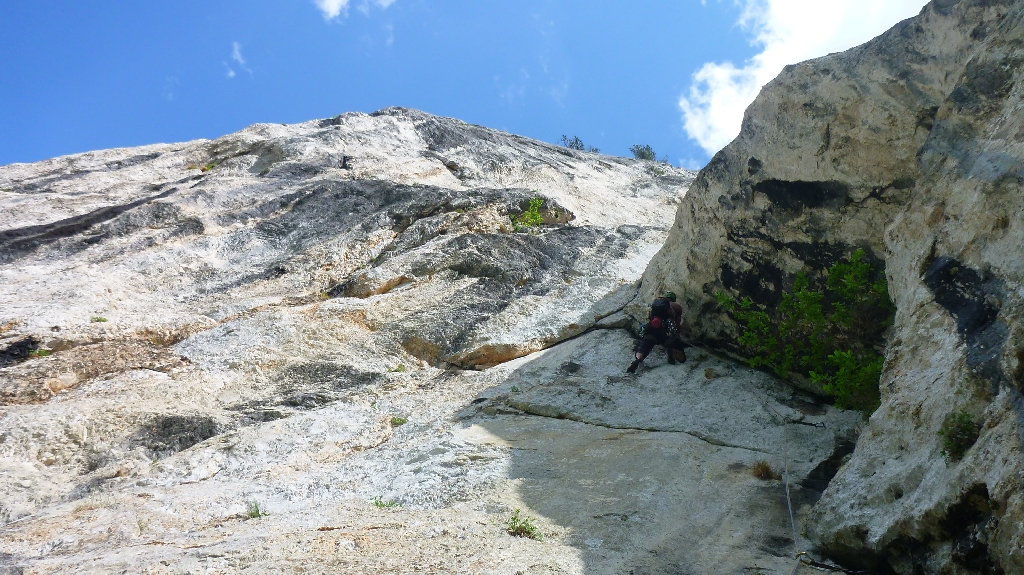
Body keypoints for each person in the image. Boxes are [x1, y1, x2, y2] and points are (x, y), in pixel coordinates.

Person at [627, 291, 686, 373]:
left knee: (644, 349)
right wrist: (677, 336)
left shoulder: (655, 303)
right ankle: (672, 354)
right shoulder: (676, 306)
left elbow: (650, 318)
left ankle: (638, 358)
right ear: (673, 299)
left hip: (651, 330)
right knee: (675, 345)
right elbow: (677, 325)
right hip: (664, 334)